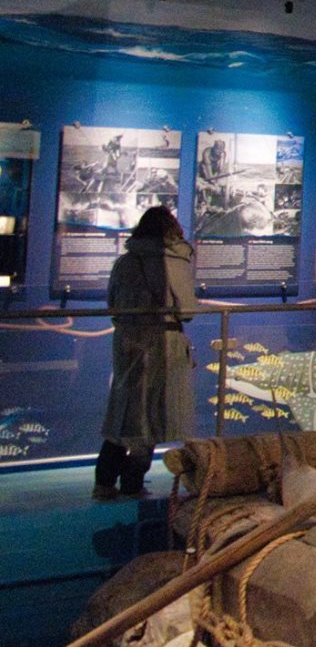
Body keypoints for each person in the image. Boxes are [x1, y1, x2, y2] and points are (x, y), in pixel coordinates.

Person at [95, 206, 197, 498]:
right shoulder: (175, 262)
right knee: (153, 413)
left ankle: (104, 481)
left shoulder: (125, 262)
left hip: (129, 342)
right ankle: (133, 481)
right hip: (164, 344)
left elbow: (113, 303)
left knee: (125, 410)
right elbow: (187, 311)